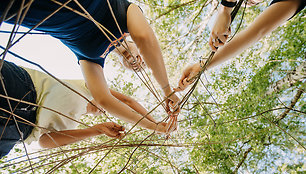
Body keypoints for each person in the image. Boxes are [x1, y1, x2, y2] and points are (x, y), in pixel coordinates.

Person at [0, 0, 180, 133]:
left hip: (21, 10)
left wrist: (153, 126)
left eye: (136, 68)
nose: (137, 63)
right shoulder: (126, 9)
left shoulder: (92, 58)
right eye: (142, 60)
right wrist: (167, 90)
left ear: (119, 64)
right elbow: (144, 37)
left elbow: (104, 100)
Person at [0, 59, 171, 158]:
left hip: (18, 130)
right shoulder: (88, 87)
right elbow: (127, 101)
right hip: (24, 86)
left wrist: (97, 130)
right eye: (108, 107)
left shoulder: (71, 125)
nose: (104, 110)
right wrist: (155, 123)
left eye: (104, 112)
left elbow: (45, 142)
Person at [176, 0, 305, 90]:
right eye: (251, 3)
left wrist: (225, 9)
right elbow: (256, 33)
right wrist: (201, 66)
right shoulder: (292, 3)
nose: (248, 2)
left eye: (248, 2)